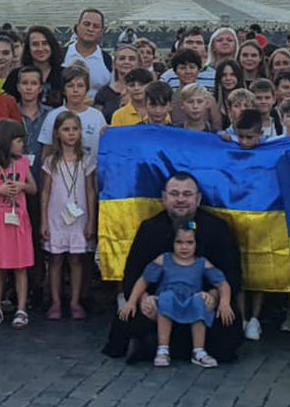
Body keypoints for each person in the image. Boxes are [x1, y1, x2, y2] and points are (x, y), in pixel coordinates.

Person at [103, 173, 245, 364]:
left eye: (187, 194)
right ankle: (163, 346)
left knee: (227, 332)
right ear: (164, 198)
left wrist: (214, 296)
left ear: (198, 198)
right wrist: (144, 300)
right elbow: (133, 273)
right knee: (125, 319)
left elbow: (232, 274)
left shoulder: (217, 228)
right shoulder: (149, 228)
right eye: (174, 194)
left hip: (201, 304)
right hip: (160, 304)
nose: (180, 200)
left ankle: (172, 347)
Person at [120, 221, 231, 369]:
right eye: (179, 242)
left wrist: (224, 302)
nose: (184, 247)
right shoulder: (164, 259)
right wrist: (132, 301)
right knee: (166, 299)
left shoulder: (202, 263)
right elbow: (144, 280)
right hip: (168, 301)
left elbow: (222, 283)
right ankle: (163, 349)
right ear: (172, 242)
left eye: (189, 242)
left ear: (196, 244)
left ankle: (199, 350)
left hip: (190, 301)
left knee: (200, 302)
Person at [38, 111, 97, 320]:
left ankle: (74, 301)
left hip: (79, 217)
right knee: (55, 260)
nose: (71, 134)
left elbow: (90, 191)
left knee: (76, 260)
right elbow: (44, 191)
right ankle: (55, 301)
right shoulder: (51, 161)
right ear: (57, 133)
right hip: (56, 216)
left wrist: (91, 220)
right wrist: (44, 220)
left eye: (74, 129)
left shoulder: (86, 160)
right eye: (66, 129)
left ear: (81, 132)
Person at [0, 118, 35, 328]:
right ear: (5, 141)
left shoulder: (22, 163)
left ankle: (21, 308)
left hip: (18, 219)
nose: (21, 145)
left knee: (21, 266)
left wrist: (21, 185)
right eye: (18, 140)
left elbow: (33, 189)